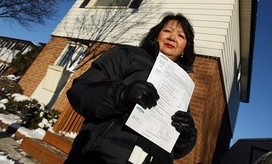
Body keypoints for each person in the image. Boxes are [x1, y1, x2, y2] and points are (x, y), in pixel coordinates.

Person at [65, 13, 197, 164]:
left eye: (181, 35)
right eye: (167, 31)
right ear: (156, 36)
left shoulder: (181, 86)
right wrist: (121, 94)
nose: (172, 37)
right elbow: (81, 89)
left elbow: (176, 151)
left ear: (185, 49)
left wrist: (187, 135)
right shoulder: (128, 55)